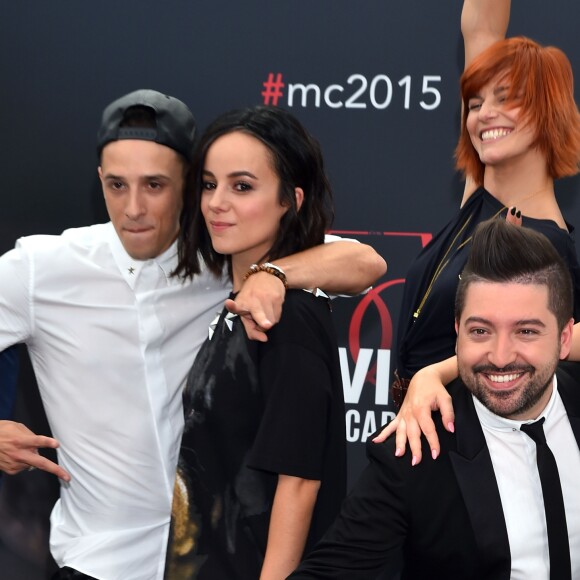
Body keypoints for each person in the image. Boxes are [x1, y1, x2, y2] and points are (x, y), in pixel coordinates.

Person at [0, 89, 385, 580]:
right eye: (117, 185)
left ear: (185, 186)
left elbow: (365, 262)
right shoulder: (40, 269)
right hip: (94, 562)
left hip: (207, 561)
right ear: (99, 179)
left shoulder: (226, 256)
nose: (133, 208)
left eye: (155, 185)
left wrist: (272, 274)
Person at [289, 218, 580, 579]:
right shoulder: (416, 450)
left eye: (526, 331)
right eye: (480, 331)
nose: (501, 355)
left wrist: (434, 371)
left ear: (565, 337)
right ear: (457, 331)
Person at [164, 106, 346, 580]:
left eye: (242, 186)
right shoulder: (240, 305)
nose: (217, 202)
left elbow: (300, 480)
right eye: (209, 184)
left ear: (292, 200)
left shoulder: (289, 319)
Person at [391, 0, 580, 410]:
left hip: (465, 442)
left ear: (549, 110)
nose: (483, 115)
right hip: (412, 429)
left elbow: (534, 347)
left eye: (505, 98)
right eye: (475, 104)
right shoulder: (481, 195)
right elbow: (480, 27)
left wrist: (437, 372)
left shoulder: (547, 244)